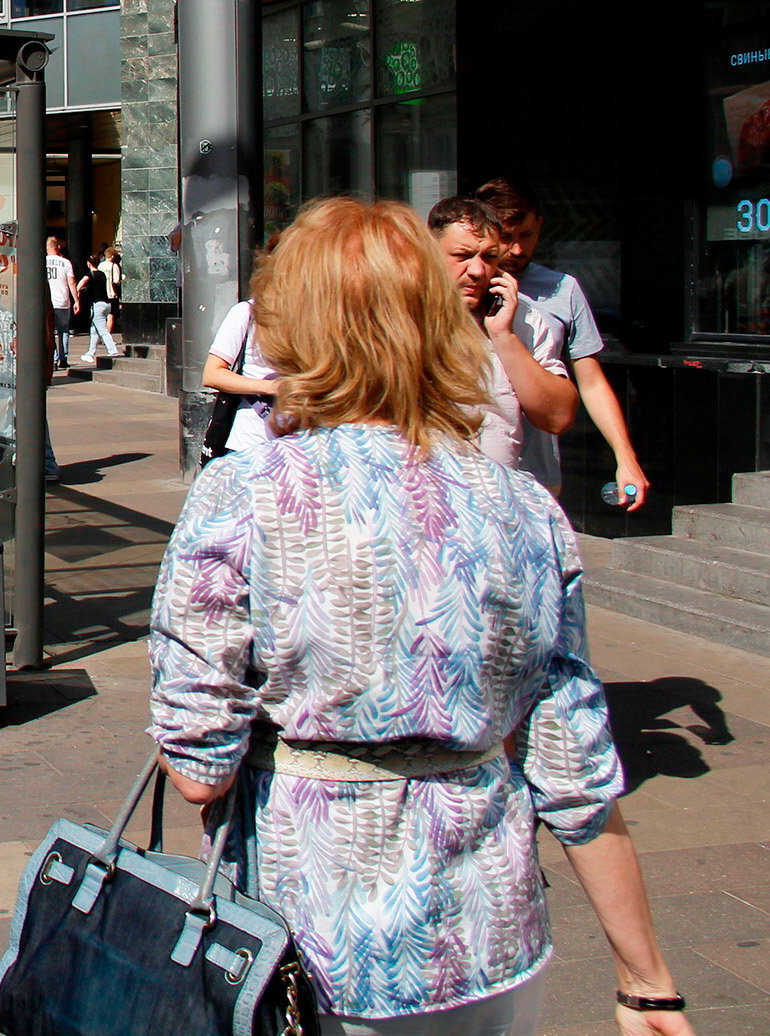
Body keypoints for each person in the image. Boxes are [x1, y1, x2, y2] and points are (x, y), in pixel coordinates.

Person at [150, 197, 691, 1036]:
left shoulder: (241, 496)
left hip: (312, 946)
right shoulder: (525, 510)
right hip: (492, 940)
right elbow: (576, 767)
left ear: (295, 328)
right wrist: (646, 981)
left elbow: (198, 765)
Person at [471, 177, 650, 509]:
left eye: (527, 234)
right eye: (507, 238)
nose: (518, 249)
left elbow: (592, 381)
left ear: (540, 223)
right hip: (472, 471)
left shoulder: (563, 289)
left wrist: (625, 457)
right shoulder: (465, 286)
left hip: (537, 472)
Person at [429, 196, 577, 468]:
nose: (477, 270)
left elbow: (557, 416)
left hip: (499, 497)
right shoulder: (403, 319)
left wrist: (503, 335)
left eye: (488, 257)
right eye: (462, 256)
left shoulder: (523, 318)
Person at [201, 297, 280, 457]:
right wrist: (271, 387)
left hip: (305, 446)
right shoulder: (247, 312)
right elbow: (212, 374)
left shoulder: (318, 314)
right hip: (251, 443)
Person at [77, 251, 118, 364]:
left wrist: (79, 292)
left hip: (97, 305)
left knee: (102, 330)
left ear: (88, 263)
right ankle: (90, 352)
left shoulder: (90, 275)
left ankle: (112, 350)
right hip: (107, 303)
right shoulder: (102, 274)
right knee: (94, 330)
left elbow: (79, 285)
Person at [44, 235, 76, 371]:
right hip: (63, 301)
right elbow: (72, 282)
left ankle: (53, 359)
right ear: (57, 247)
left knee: (49, 332)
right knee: (63, 331)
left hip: (48, 302)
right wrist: (77, 300)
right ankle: (63, 358)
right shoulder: (66, 263)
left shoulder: (42, 262)